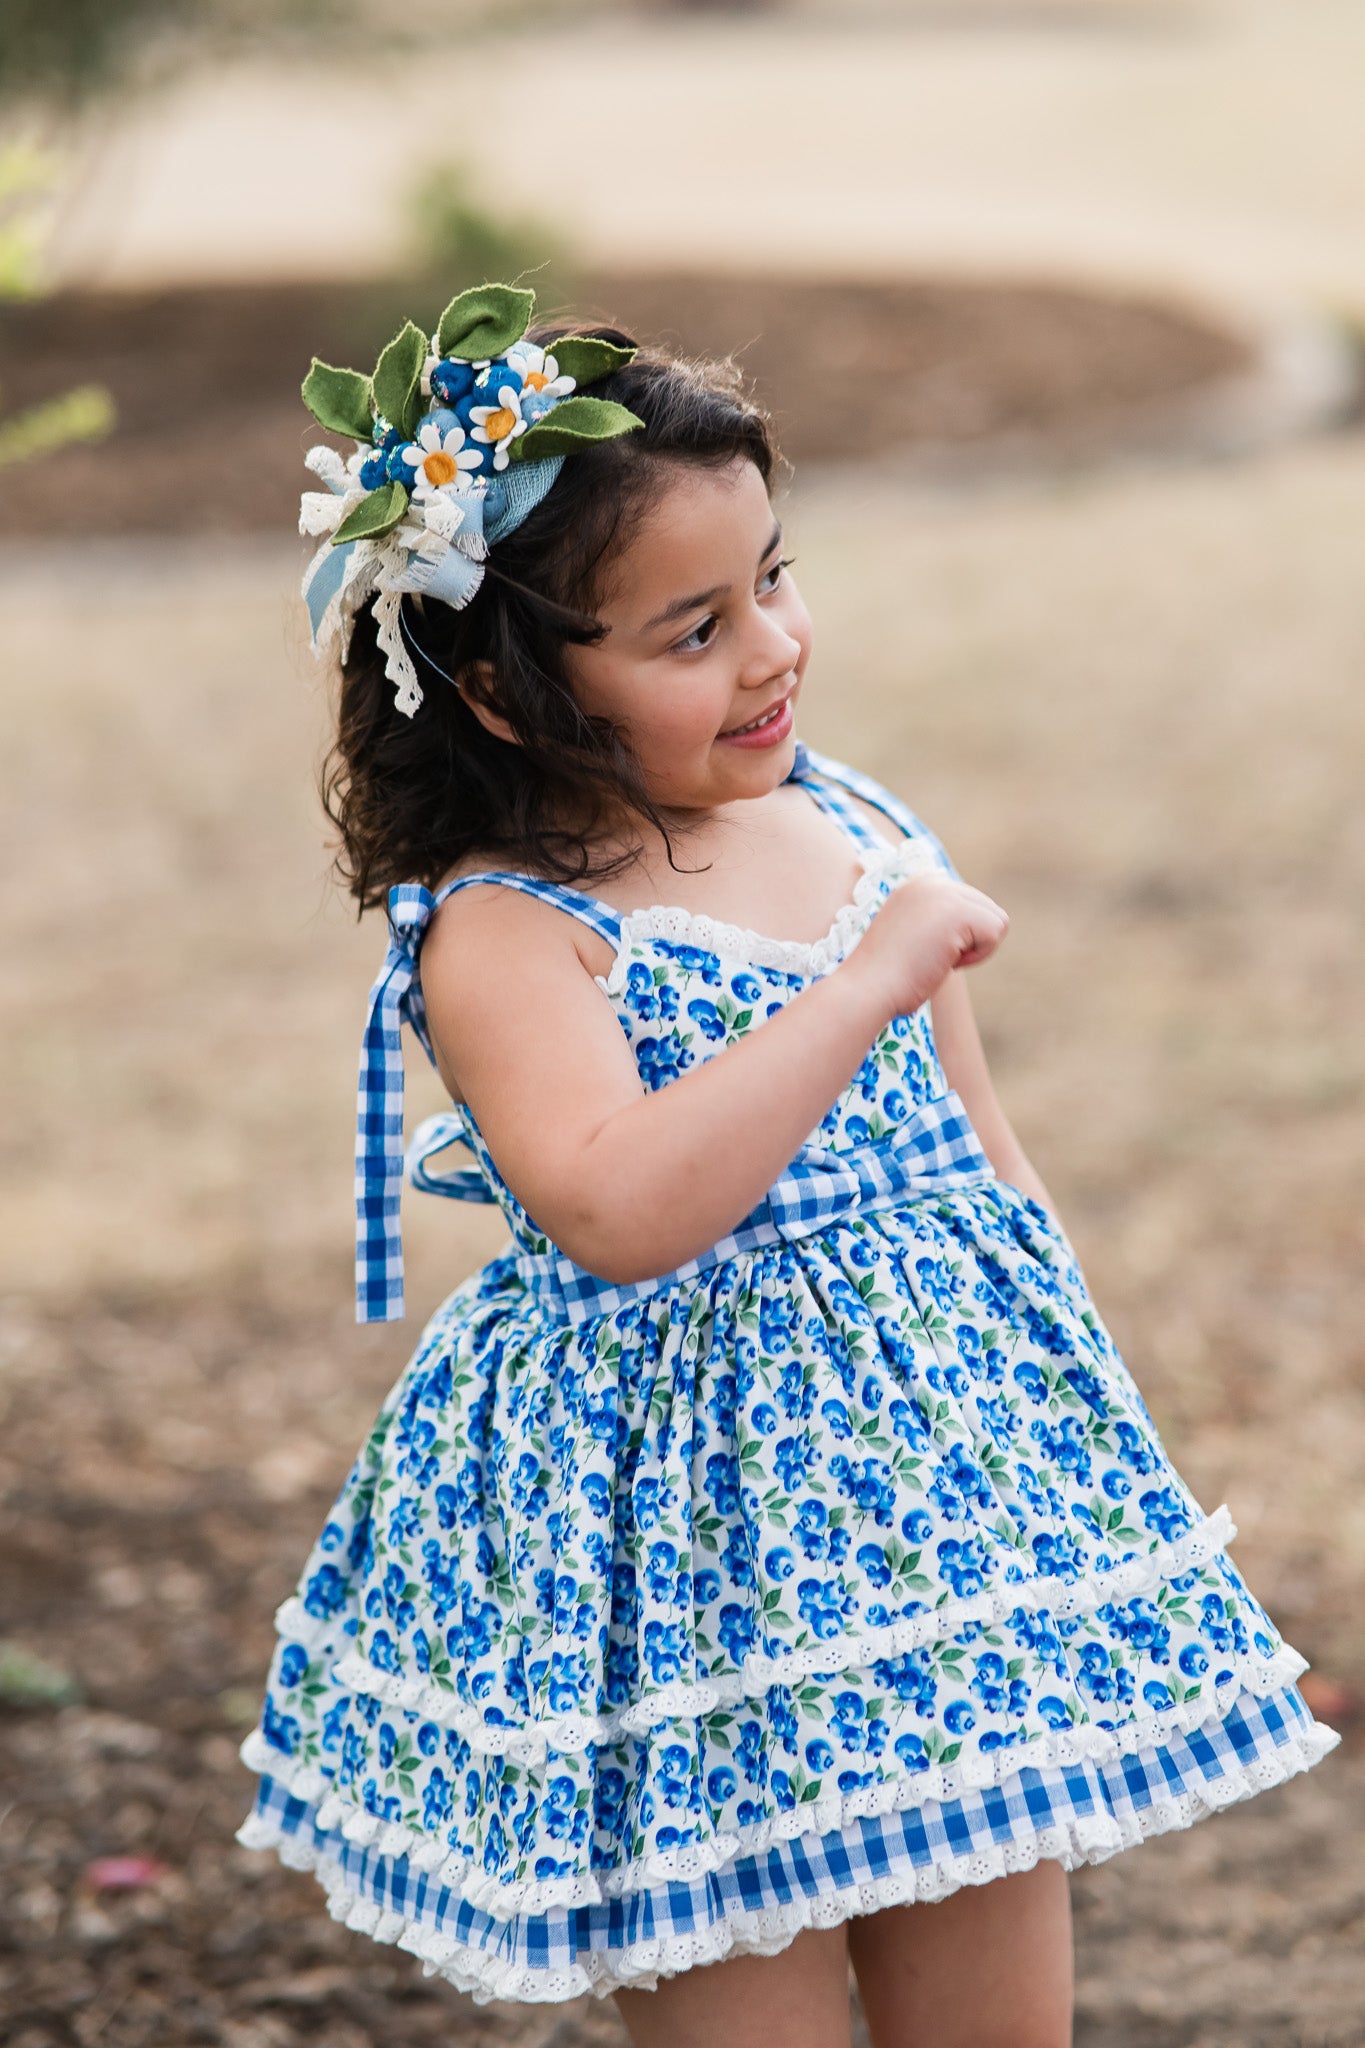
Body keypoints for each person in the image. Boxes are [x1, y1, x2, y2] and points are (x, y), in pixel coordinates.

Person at [236, 283, 1340, 2044]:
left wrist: (1063, 1432)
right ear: (509, 693)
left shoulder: (849, 821)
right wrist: (861, 982)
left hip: (934, 1522)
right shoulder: (510, 933)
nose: (770, 647)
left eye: (772, 576)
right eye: (690, 630)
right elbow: (618, 1209)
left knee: (989, 1961)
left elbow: (982, 1162)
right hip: (678, 1554)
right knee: (742, 1992)